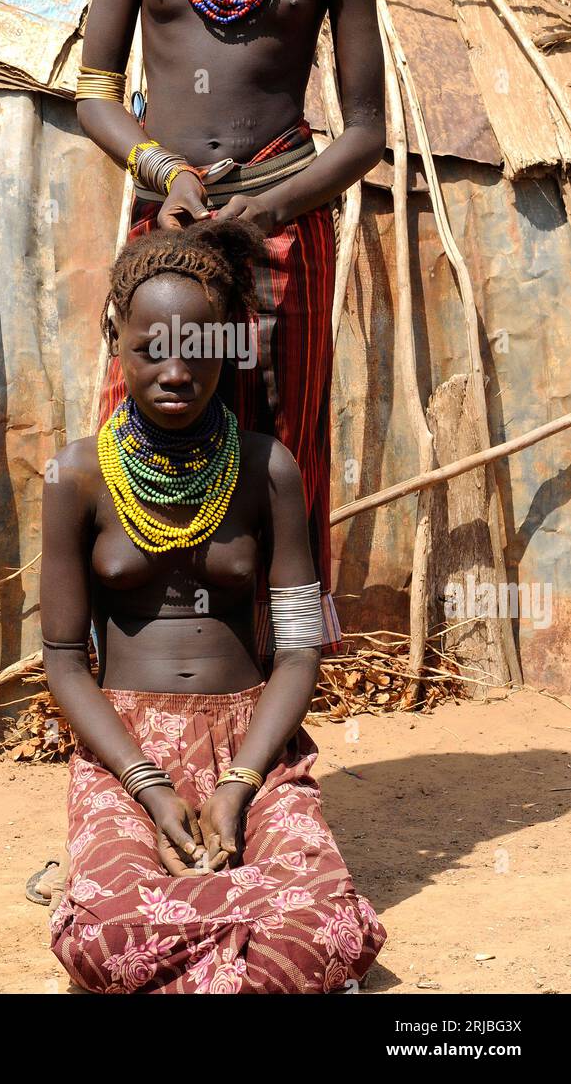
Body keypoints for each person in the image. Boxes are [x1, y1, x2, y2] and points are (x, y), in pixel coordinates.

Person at [29, 0, 385, 909]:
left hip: (277, 234)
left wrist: (269, 207)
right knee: (134, 469)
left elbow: (368, 132)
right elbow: (91, 88)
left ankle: (264, 771)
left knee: (271, 477)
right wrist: (169, 177)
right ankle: (116, 787)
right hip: (170, 238)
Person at [41, 219, 386, 994]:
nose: (173, 371)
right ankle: (218, 937)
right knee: (110, 941)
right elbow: (64, 659)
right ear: (116, 343)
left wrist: (239, 783)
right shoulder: (77, 477)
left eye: (196, 350)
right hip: (125, 747)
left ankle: (206, 940)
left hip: (254, 738)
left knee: (324, 931)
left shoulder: (269, 469)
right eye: (148, 349)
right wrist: (148, 785)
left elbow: (297, 649)